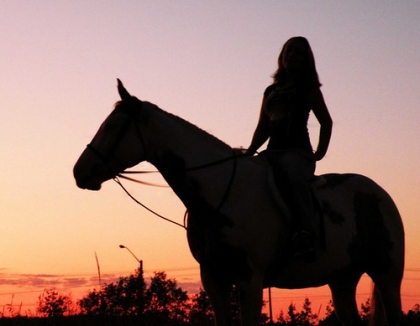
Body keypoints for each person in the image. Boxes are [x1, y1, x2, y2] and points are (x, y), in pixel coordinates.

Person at [246, 36, 333, 259]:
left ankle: (307, 234)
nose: (292, 55)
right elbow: (263, 128)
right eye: (289, 50)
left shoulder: (308, 89)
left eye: (298, 52)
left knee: (293, 178)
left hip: (298, 153)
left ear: (306, 59)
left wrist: (320, 153)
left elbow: (326, 121)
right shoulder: (270, 92)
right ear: (282, 55)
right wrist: (248, 152)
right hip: (272, 153)